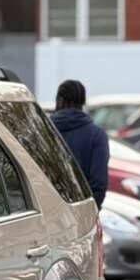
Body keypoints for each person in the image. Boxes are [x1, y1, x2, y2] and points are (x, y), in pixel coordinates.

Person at [51, 79, 109, 208]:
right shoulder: (97, 135)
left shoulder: (43, 129)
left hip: (47, 209)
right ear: (83, 102)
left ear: (60, 100)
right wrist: (90, 211)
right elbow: (99, 183)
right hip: (81, 210)